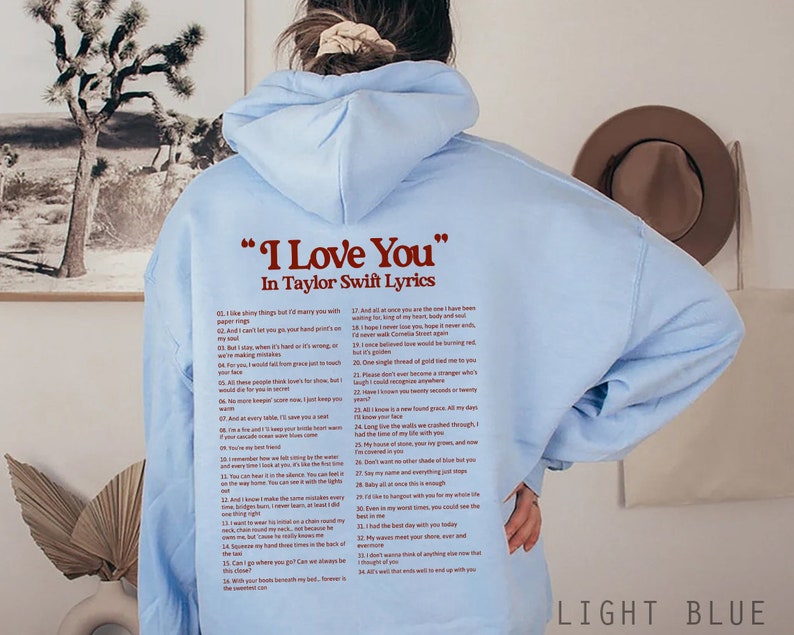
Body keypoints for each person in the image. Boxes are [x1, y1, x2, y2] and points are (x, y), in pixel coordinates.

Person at [138, 1, 744, 633]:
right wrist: (527, 451)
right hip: (468, 610)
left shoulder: (209, 211)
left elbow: (177, 460)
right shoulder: (522, 196)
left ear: (311, 40)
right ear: (441, 48)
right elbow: (700, 326)